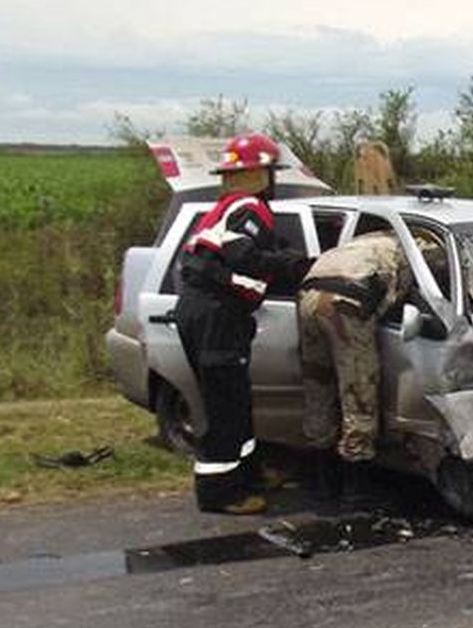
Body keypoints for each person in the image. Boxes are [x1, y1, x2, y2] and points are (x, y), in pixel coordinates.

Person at [174, 133, 310, 514]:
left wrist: (287, 257)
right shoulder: (248, 207)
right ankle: (219, 492)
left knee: (236, 400)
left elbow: (253, 250)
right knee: (224, 406)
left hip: (213, 311)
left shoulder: (230, 206)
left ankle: (247, 472)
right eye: (269, 172)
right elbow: (243, 253)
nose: (273, 180)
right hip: (215, 313)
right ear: (258, 175)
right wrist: (293, 267)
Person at [297, 230, 442, 505]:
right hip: (346, 302)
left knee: (318, 385)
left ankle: (323, 480)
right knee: (359, 391)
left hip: (308, 294)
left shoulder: (368, 239)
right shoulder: (419, 252)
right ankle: (356, 485)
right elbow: (430, 296)